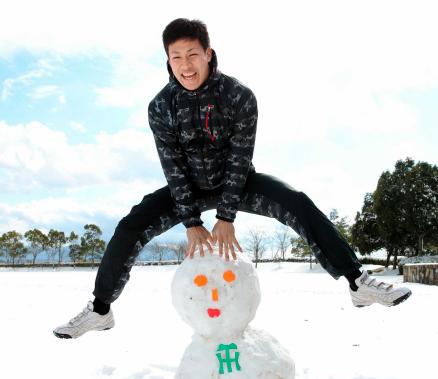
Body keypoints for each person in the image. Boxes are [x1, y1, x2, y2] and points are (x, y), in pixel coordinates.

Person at [53, 18, 411, 339]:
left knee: (297, 202)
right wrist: (192, 222)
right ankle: (100, 310)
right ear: (168, 61)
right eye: (175, 57)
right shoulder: (161, 107)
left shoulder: (239, 96)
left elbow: (241, 157)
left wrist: (225, 217)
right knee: (131, 226)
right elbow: (172, 165)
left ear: (208, 53)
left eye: (192, 54)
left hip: (237, 182)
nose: (185, 65)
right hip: (188, 186)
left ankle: (357, 282)